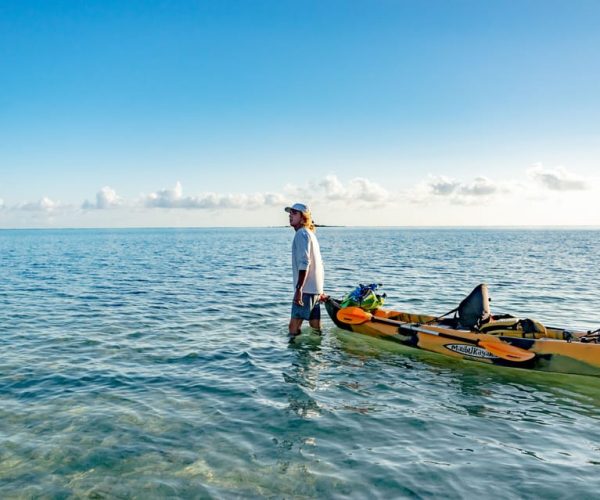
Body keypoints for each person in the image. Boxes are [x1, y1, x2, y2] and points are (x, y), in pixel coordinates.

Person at [285, 203, 325, 337]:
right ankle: (317, 354)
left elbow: (305, 262)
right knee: (316, 328)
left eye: (294, 213)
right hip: (314, 290)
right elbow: (318, 264)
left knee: (293, 328)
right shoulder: (310, 234)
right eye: (290, 213)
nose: (290, 215)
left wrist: (299, 289)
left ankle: (296, 357)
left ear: (303, 218)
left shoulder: (301, 234)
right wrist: (320, 290)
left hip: (305, 290)